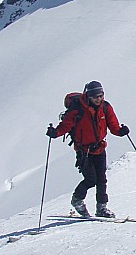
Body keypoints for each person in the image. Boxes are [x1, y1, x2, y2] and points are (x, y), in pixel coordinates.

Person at [46, 81, 129, 217]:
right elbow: (66, 125)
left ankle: (101, 208)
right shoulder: (78, 109)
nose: (99, 99)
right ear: (88, 96)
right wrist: (55, 133)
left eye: (101, 95)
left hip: (100, 147)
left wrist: (120, 131)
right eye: (96, 96)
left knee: (101, 179)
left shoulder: (106, 107)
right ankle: (77, 200)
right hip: (83, 150)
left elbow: (113, 125)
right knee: (91, 179)